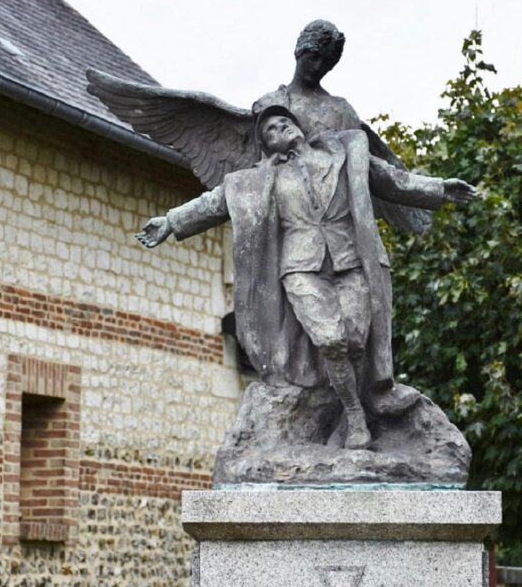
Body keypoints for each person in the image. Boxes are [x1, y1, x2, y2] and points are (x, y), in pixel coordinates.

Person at [136, 106, 476, 449]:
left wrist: (439, 189)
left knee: (357, 339)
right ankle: (355, 416)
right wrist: (170, 221)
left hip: (350, 259)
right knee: (331, 340)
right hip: (300, 267)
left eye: (284, 121)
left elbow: (391, 179)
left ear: (298, 126)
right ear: (265, 146)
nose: (280, 127)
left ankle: (347, 415)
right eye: (270, 129)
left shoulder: (344, 153)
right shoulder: (255, 179)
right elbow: (214, 203)